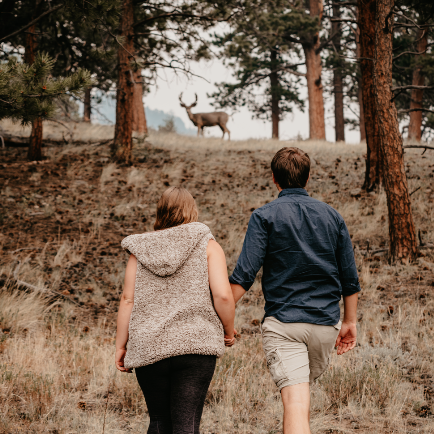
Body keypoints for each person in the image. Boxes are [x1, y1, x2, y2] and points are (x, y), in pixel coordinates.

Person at [229, 147, 361, 434]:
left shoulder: (264, 216)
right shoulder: (333, 217)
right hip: (325, 326)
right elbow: (350, 279)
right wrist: (349, 322)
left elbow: (244, 277)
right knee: (301, 400)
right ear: (308, 177)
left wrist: (219, 316)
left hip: (284, 324)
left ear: (274, 178)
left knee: (296, 404)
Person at [115, 186, 235, 434]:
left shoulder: (140, 251)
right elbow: (223, 295)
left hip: (149, 345)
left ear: (161, 212)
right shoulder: (208, 245)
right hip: (195, 346)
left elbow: (127, 300)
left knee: (159, 421)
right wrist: (229, 330)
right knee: (186, 425)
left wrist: (121, 346)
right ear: (192, 211)